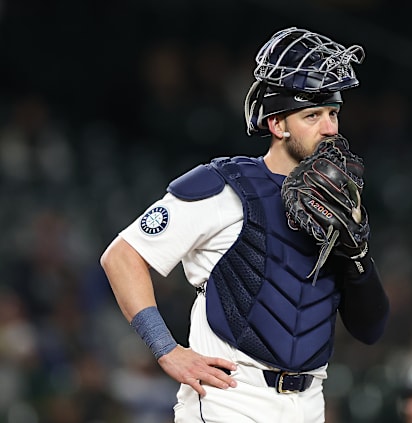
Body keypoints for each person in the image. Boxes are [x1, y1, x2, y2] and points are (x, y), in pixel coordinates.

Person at [99, 27, 389, 423]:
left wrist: (357, 253)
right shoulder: (224, 185)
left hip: (309, 402)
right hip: (233, 398)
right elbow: (122, 256)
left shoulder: (338, 201)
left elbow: (371, 328)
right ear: (277, 124)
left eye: (333, 113)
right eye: (312, 115)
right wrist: (166, 349)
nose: (330, 128)